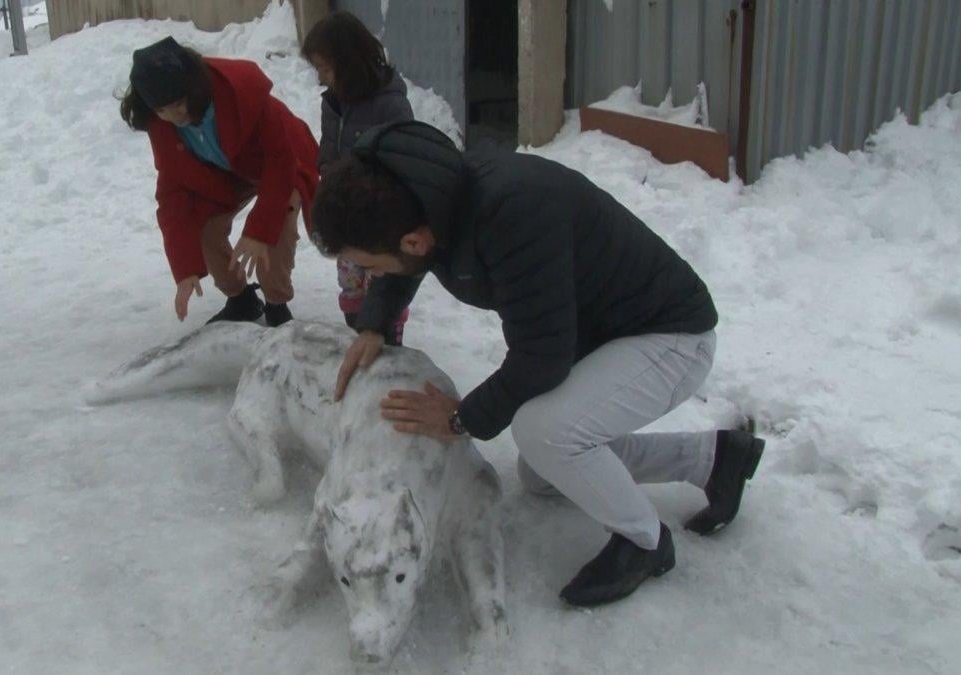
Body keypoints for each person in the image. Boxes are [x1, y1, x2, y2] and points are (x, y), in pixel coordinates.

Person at [312, 121, 766, 607]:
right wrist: (374, 323)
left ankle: (645, 542)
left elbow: (542, 355)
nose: (369, 276)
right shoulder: (433, 200)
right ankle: (714, 459)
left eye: (369, 265)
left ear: (414, 241)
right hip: (599, 333)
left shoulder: (512, 210)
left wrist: (460, 418)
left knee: (545, 433)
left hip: (669, 338)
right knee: (542, 472)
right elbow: (403, 264)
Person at [120, 37, 319, 327]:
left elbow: (280, 161)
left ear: (193, 87)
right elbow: (172, 193)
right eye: (162, 110)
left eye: (178, 103)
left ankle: (278, 307)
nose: (173, 116)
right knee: (204, 229)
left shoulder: (241, 93)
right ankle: (241, 300)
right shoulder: (160, 122)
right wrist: (185, 269)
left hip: (284, 160)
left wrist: (259, 230)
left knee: (276, 228)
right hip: (227, 172)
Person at [302, 11, 414, 345]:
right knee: (350, 278)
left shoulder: (389, 104)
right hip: (346, 212)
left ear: (348, 61)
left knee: (381, 278)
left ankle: (388, 337)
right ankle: (357, 329)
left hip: (380, 214)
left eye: (325, 68)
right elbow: (328, 148)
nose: (321, 79)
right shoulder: (332, 103)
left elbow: (404, 160)